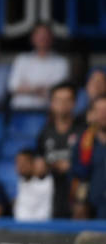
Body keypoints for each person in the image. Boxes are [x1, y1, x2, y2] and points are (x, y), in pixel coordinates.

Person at [37, 82, 85, 218]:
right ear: (51, 103)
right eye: (58, 100)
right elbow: (40, 163)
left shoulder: (83, 132)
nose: (62, 104)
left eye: (67, 100)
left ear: (74, 103)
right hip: (51, 198)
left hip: (77, 197)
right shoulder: (45, 133)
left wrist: (72, 166)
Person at [8, 23, 70, 110]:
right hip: (21, 111)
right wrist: (39, 89)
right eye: (39, 35)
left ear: (51, 38)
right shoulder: (22, 59)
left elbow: (59, 90)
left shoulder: (61, 62)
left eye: (45, 35)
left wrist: (27, 87)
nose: (42, 38)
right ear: (32, 38)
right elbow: (13, 86)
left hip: (49, 112)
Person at [71, 95, 106, 219]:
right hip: (92, 210)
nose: (103, 115)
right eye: (99, 111)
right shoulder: (84, 142)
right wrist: (80, 202)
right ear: (92, 114)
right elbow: (79, 176)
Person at [13, 150, 54, 221]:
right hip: (19, 228)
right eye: (17, 163)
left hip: (41, 228)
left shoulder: (45, 181)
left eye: (24, 163)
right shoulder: (21, 181)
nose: (20, 166)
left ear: (33, 163)